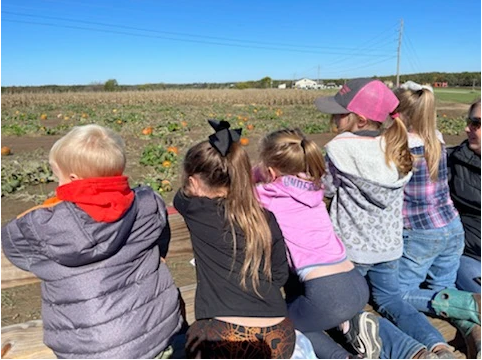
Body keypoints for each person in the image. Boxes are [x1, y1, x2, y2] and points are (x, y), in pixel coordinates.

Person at [1, 124, 183, 358]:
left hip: (88, 348)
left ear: (74, 179)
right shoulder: (146, 203)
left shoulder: (45, 224)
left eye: (59, 177)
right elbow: (160, 230)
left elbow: (16, 247)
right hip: (155, 334)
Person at [315, 78, 456, 358]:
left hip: (352, 251)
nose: (334, 117)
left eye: (340, 112)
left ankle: (409, 353)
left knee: (349, 310)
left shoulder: (340, 149)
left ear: (359, 118)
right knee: (391, 299)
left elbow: (326, 188)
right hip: (390, 248)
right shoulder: (397, 143)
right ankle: (437, 345)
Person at [173, 120, 296, 359]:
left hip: (224, 335)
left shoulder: (194, 209)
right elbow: (280, 275)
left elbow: (181, 197)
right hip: (279, 335)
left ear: (194, 181)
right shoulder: (264, 218)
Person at [253, 128, 381, 359]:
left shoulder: (268, 194)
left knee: (280, 326)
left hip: (327, 294)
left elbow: (241, 188)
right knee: (300, 309)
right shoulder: (313, 186)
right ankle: (351, 325)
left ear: (270, 171)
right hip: (354, 281)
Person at [394, 83, 481, 359]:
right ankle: (475, 333)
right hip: (452, 228)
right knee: (444, 290)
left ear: (397, 115)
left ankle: (471, 303)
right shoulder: (437, 139)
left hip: (421, 232)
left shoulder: (399, 146)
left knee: (397, 294)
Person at [447, 99, 481, 294]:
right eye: (469, 121)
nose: (467, 129)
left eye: (476, 124)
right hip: (468, 256)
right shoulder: (452, 162)